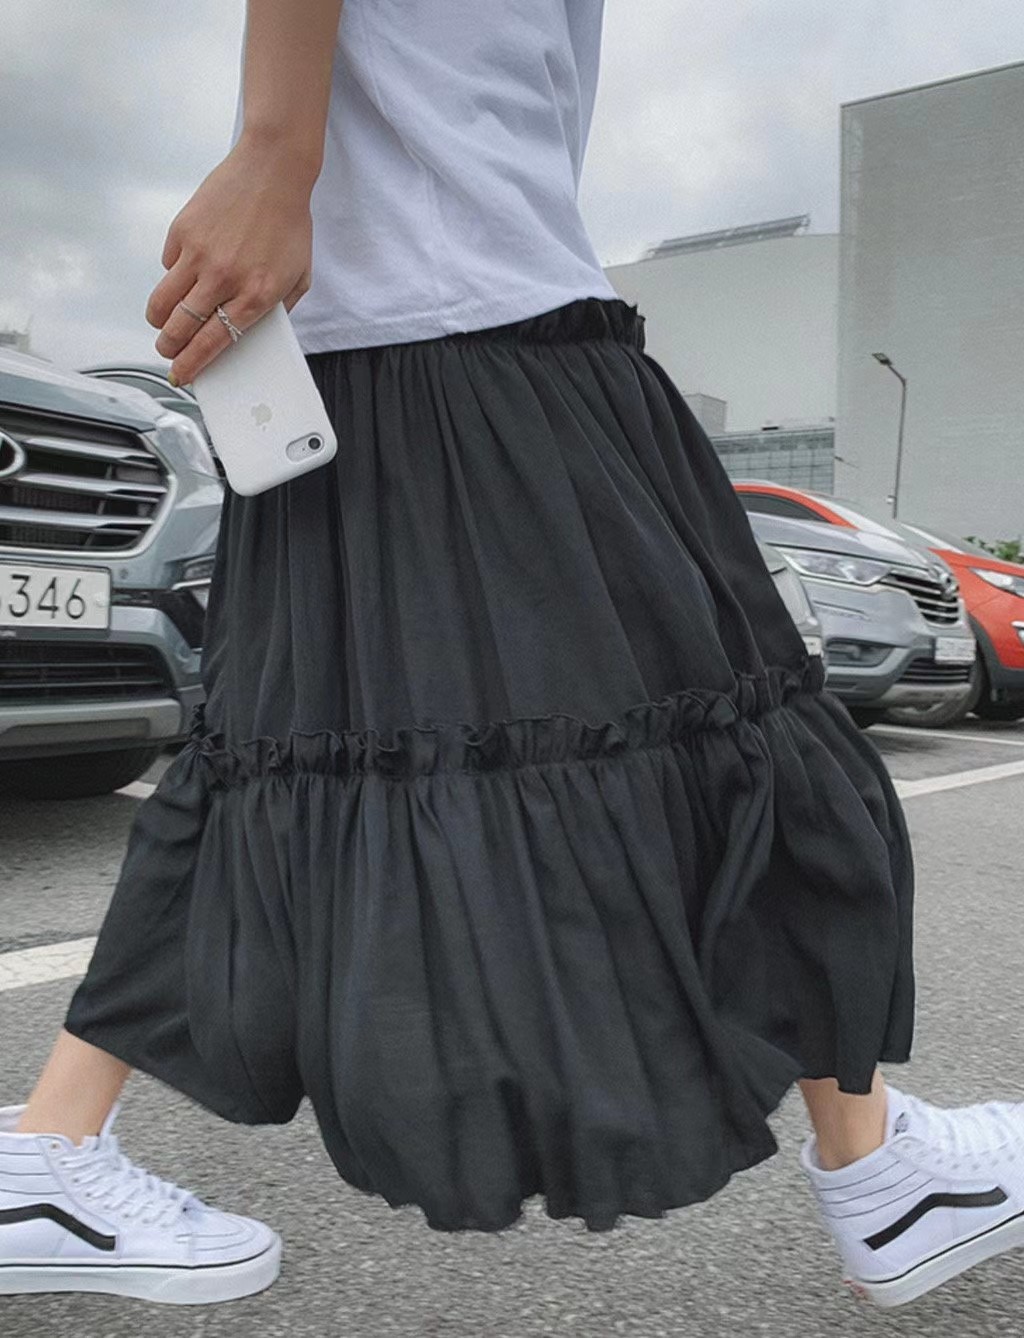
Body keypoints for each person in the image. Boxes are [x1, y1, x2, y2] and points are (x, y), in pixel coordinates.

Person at [2, 0, 1022, 1313]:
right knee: (725, 722)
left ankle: (48, 1150)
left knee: (265, 759)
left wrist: (285, 155)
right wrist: (276, 147)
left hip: (346, 361)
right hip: (484, 335)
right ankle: (880, 1166)